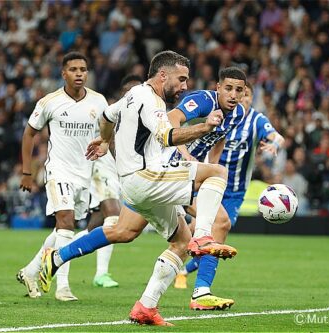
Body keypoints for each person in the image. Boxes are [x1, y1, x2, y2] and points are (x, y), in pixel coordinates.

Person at [39, 50, 237, 326]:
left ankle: (146, 307)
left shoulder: (132, 95)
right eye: (181, 79)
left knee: (176, 241)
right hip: (147, 177)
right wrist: (204, 127)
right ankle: (203, 237)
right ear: (162, 75)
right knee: (216, 173)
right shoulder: (150, 99)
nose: (185, 86)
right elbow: (167, 135)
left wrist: (106, 142)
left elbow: (107, 117)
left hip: (135, 184)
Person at [173, 82, 285, 309]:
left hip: (233, 192)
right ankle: (192, 282)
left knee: (211, 229)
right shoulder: (220, 112)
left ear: (249, 97)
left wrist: (273, 144)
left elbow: (277, 136)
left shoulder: (255, 120)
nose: (239, 99)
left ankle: (187, 275)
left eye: (243, 94)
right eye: (233, 92)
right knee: (202, 231)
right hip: (205, 179)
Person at [16, 52, 109, 302]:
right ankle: (63, 287)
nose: (79, 74)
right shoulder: (50, 102)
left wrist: (106, 145)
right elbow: (28, 134)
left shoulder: (99, 102)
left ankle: (30, 271)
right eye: (74, 69)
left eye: (83, 69)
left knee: (63, 229)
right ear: (63, 73)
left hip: (85, 174)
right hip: (58, 171)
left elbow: (109, 131)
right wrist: (27, 172)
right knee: (66, 222)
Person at [165, 67, 247, 310]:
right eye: (228, 88)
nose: (233, 95)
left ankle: (201, 291)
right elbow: (170, 120)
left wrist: (212, 166)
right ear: (218, 88)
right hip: (162, 168)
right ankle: (58, 256)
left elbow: (220, 136)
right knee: (123, 231)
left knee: (219, 223)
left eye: (239, 90)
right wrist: (185, 153)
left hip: (190, 175)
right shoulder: (202, 101)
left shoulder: (238, 113)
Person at [74, 74, 144, 288]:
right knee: (113, 216)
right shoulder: (113, 111)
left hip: (118, 171)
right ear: (125, 94)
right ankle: (101, 274)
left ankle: (50, 254)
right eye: (132, 92)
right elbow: (104, 140)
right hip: (101, 167)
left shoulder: (143, 114)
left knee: (94, 226)